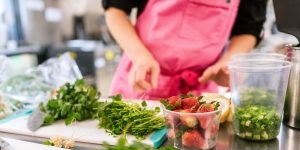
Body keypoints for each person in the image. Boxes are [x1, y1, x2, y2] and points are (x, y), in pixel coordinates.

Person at [102, 0, 268, 100]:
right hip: (142, 81)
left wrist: (227, 61)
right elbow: (115, 9)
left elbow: (248, 29)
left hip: (200, 91)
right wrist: (139, 56)